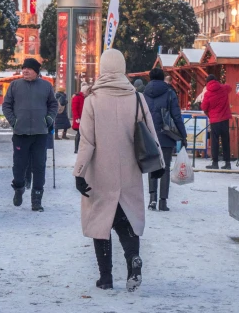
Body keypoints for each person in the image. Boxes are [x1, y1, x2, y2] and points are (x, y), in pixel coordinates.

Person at [73, 49, 160, 292]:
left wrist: (79, 172)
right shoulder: (137, 98)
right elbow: (151, 135)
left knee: (101, 223)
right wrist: (158, 165)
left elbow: (87, 141)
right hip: (130, 170)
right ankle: (133, 259)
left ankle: (106, 277)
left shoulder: (92, 100)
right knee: (126, 219)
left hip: (100, 172)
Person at [3, 58, 58, 212]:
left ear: (36, 71)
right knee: (19, 166)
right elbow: (6, 105)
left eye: (29, 68)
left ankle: (36, 200)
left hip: (40, 133)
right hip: (20, 133)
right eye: (24, 68)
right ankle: (19, 188)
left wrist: (48, 119)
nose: (25, 71)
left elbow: (53, 105)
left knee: (39, 166)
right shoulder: (15, 86)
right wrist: (14, 122)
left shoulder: (46, 86)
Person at [143, 68, 187, 211]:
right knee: (165, 167)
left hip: (149, 135)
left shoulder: (144, 94)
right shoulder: (169, 93)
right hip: (166, 135)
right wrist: (183, 135)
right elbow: (176, 116)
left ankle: (152, 199)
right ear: (163, 78)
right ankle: (163, 201)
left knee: (152, 166)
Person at [200, 74, 233, 169]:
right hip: (225, 119)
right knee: (225, 141)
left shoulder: (207, 93)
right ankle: (227, 163)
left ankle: (215, 163)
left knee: (214, 141)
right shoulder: (223, 88)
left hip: (215, 120)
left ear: (207, 83)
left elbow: (203, 107)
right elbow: (230, 87)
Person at [71, 83, 89, 154]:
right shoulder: (77, 97)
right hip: (79, 119)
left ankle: (81, 148)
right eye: (88, 91)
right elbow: (74, 108)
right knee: (79, 133)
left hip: (85, 118)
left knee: (84, 134)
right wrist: (77, 118)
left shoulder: (86, 97)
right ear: (85, 91)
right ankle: (76, 149)